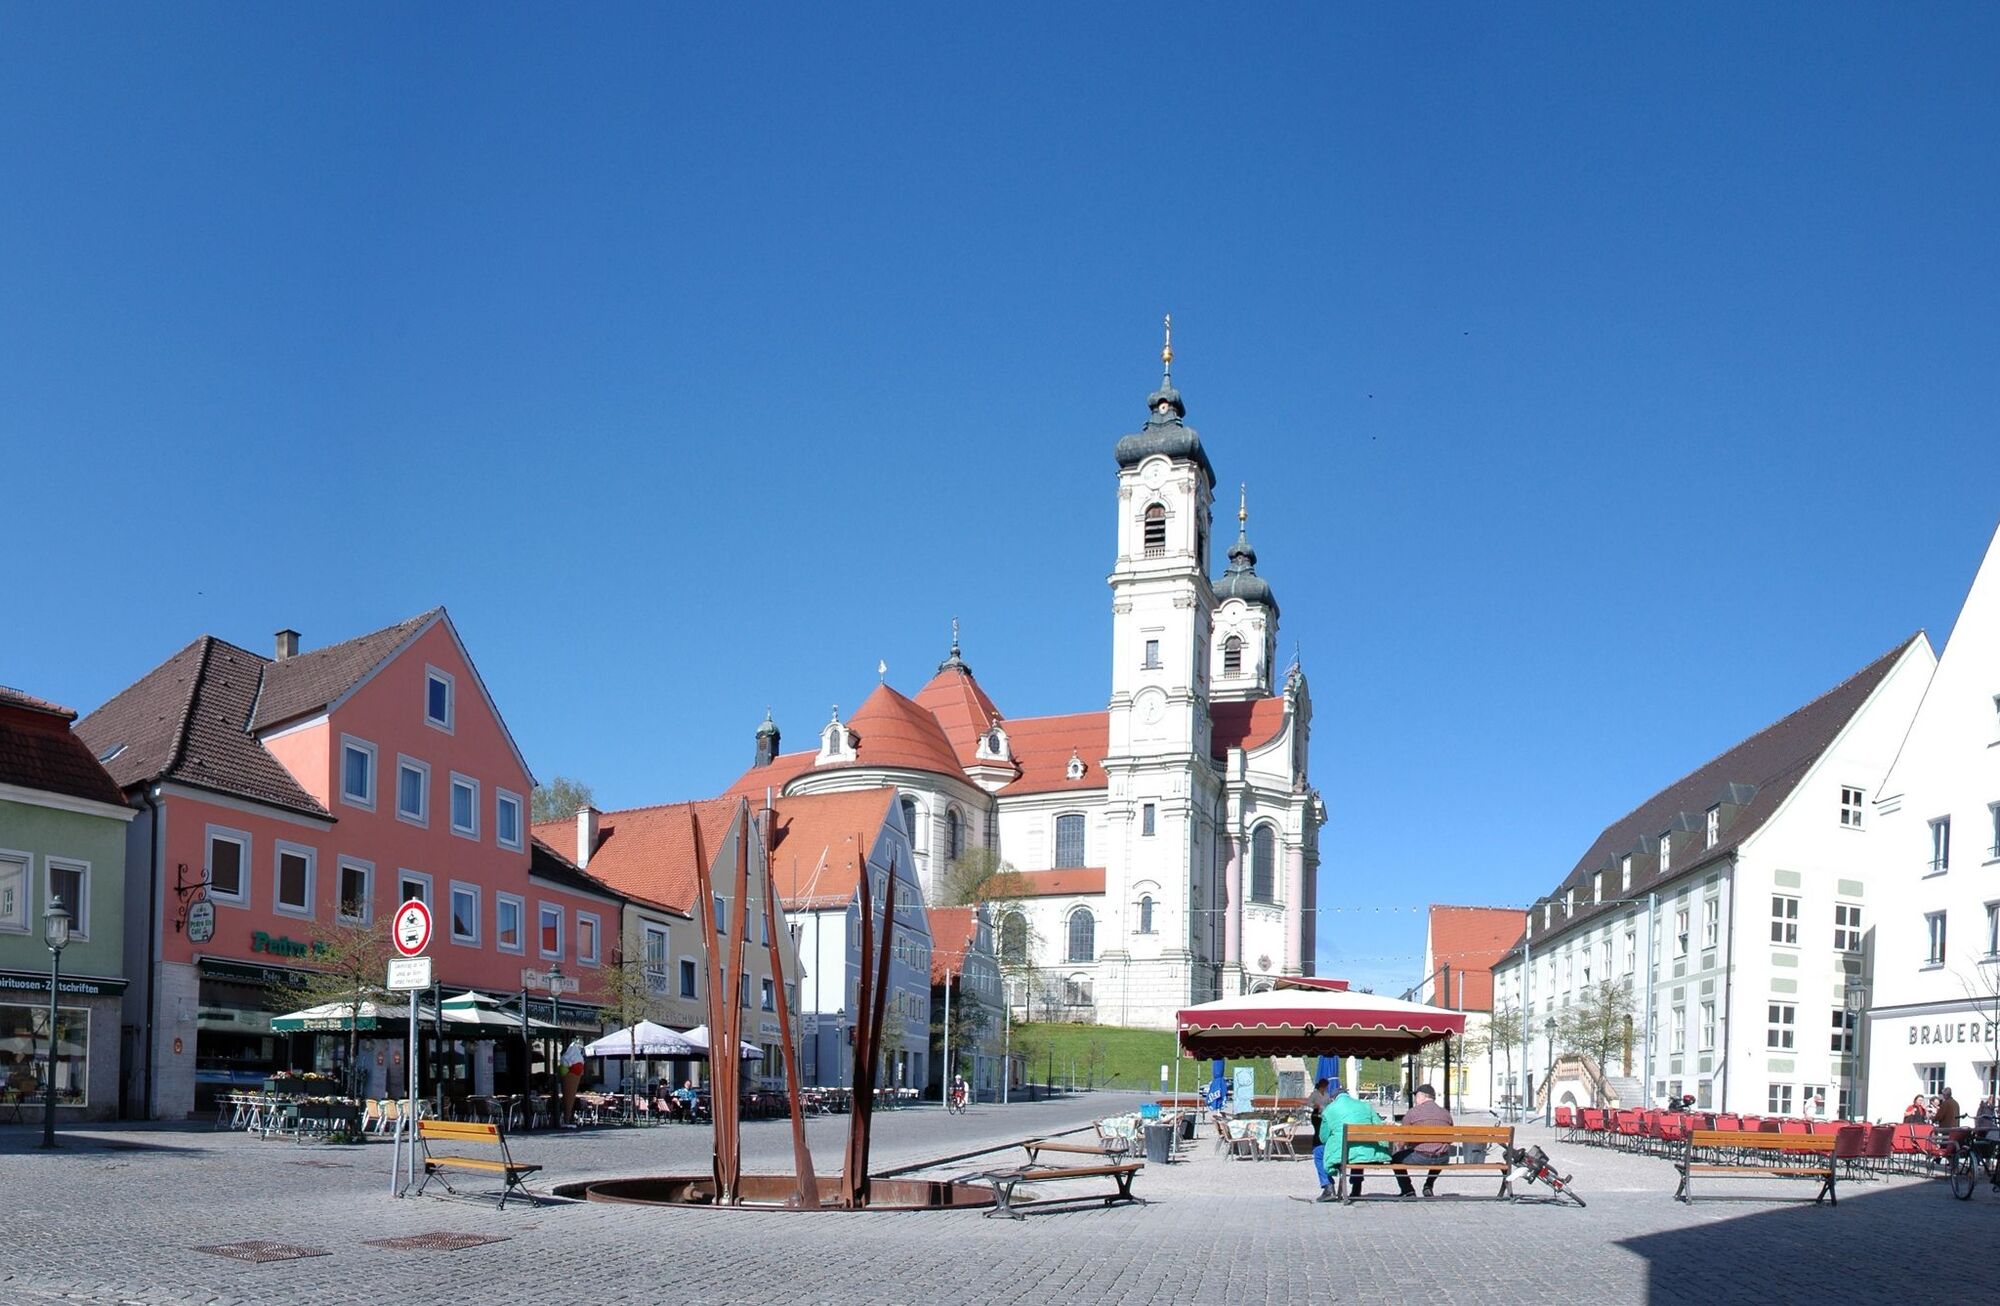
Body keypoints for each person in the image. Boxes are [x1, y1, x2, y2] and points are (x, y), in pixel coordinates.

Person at [1315, 1081, 1391, 1202]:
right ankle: (1356, 1187)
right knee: (1359, 1148)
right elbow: (1379, 1127)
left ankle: (1328, 1187)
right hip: (1368, 1152)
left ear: (1333, 1098)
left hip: (1343, 1154)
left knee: (1318, 1152)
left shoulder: (1329, 1110)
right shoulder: (1365, 1106)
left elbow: (1323, 1138)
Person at [1392, 1084, 1453, 1198]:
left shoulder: (1413, 1112)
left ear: (1422, 1096)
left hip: (1421, 1157)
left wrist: (1400, 1148)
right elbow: (1451, 1138)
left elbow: (1402, 1137)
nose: (1415, 1099)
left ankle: (1408, 1190)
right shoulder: (1445, 1113)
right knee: (1439, 1152)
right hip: (1442, 1158)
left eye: (1416, 1096)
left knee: (1395, 1159)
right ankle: (1428, 1185)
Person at [559, 1038, 586, 1129]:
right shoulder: (575, 1059)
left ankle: (567, 1118)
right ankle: (567, 1118)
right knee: (569, 1100)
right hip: (572, 1068)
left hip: (570, 1067)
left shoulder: (566, 1058)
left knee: (568, 1100)